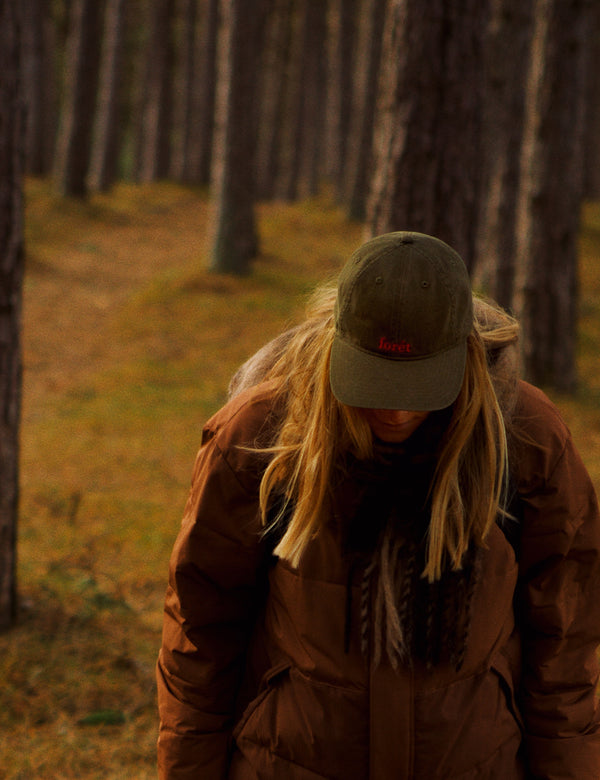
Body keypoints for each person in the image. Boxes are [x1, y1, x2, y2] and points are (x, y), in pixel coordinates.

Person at [156, 231, 600, 779]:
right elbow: (201, 632)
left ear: (461, 355)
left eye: (418, 386)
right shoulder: (261, 436)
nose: (392, 410)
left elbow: (565, 643)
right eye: (373, 380)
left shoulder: (525, 440)